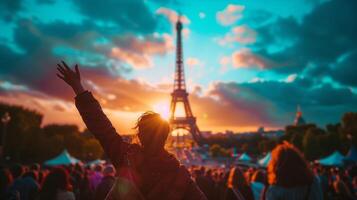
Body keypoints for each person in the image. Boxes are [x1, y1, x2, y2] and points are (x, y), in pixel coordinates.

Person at [56, 61, 206, 200]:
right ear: (166, 136)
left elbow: (102, 127)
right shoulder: (180, 176)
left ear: (139, 135)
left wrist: (78, 88)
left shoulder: (126, 157)